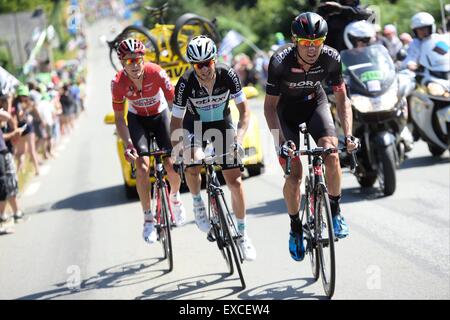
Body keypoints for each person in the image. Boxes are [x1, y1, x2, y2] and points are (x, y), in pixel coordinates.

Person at [263, 12, 358, 262]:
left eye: (318, 42)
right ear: (295, 41)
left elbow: (341, 98)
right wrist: (280, 142)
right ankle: (295, 227)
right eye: (306, 43)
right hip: (285, 113)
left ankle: (335, 211)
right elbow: (269, 108)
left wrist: (347, 135)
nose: (312, 49)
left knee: (333, 154)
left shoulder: (331, 57)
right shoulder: (279, 62)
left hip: (315, 104)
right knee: (294, 175)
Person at [169, 35, 256, 261]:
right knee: (194, 162)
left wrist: (238, 138)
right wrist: (181, 148)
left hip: (222, 125)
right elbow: (176, 123)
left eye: (208, 63)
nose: (205, 69)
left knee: (235, 182)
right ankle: (198, 202)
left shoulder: (228, 75)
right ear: (192, 65)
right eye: (199, 65)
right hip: (193, 127)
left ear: (214, 60)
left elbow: (245, 112)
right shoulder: (185, 83)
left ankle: (243, 234)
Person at [111, 38, 186, 244]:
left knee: (171, 164)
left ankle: (175, 198)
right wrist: (128, 145)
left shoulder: (156, 72)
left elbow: (174, 104)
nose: (134, 65)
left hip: (160, 116)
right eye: (128, 61)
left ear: (143, 59)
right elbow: (119, 118)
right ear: (122, 63)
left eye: (137, 59)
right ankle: (148, 219)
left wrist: (181, 133)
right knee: (142, 168)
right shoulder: (118, 84)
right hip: (137, 121)